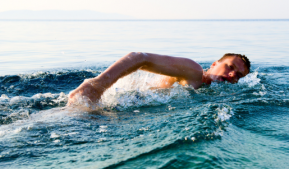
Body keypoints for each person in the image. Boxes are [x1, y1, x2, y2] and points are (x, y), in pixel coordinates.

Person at [67, 52, 251, 105]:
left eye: (239, 75)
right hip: (124, 101)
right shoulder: (193, 71)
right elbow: (140, 58)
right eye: (230, 66)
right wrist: (97, 86)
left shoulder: (216, 94)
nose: (233, 74)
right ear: (213, 64)